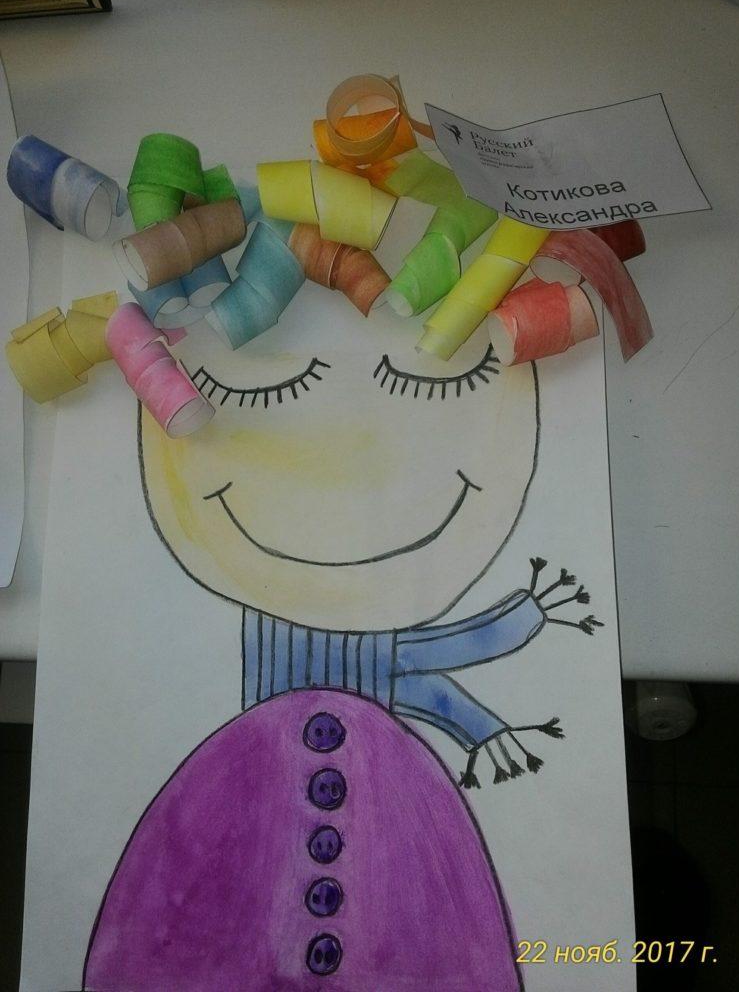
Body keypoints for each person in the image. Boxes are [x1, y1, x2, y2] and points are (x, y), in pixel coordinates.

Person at [84, 265, 599, 991]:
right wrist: (516, 638)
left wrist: (511, 648)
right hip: (245, 795)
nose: (347, 458)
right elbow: (421, 667)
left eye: (438, 385)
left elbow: (416, 667)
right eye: (259, 391)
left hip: (389, 809)